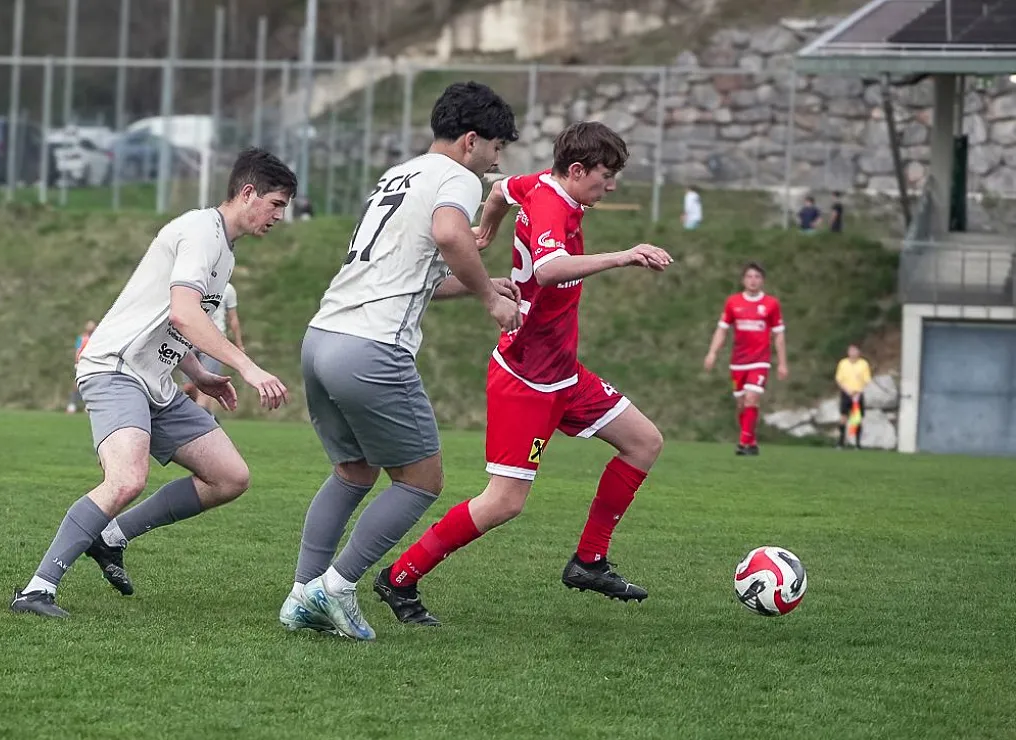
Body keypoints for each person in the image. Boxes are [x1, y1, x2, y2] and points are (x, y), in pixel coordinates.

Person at [375, 121, 673, 628]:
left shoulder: (538, 184)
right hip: (527, 380)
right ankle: (399, 577)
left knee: (644, 442)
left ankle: (589, 561)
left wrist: (488, 230)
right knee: (503, 502)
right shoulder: (553, 203)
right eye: (607, 176)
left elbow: (498, 189)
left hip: (562, 373)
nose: (612, 186)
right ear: (577, 171)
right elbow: (550, 269)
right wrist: (624, 255)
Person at [279, 81, 523, 641]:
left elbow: (413, 279)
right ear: (469, 141)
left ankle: (301, 594)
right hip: (370, 347)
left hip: (322, 338)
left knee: (352, 472)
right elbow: (448, 233)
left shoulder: (399, 173)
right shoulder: (458, 177)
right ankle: (335, 590)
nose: (495, 161)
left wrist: (484, 284)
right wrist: (489, 298)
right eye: (495, 149)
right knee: (421, 481)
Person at [10, 148, 295, 619]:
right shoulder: (200, 233)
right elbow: (184, 313)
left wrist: (200, 373)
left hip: (154, 379)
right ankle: (37, 590)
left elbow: (174, 324)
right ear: (248, 194)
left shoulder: (224, 251)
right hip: (115, 369)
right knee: (126, 480)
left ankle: (110, 538)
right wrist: (248, 367)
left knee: (230, 477)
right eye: (277, 204)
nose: (280, 216)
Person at [703, 262, 788, 456]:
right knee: (741, 403)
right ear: (743, 280)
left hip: (760, 360)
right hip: (738, 361)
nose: (753, 280)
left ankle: (742, 443)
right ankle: (751, 440)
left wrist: (782, 362)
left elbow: (779, 334)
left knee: (752, 397)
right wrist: (712, 353)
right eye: (749, 276)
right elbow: (722, 330)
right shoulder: (733, 302)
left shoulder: (771, 304)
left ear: (762, 281)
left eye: (757, 277)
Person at [184, 283, 243, 416]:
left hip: (214, 342)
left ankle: (198, 426)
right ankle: (206, 419)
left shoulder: (227, 289)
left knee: (205, 392)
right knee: (188, 388)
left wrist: (239, 344)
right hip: (190, 340)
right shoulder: (194, 283)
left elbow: (233, 319)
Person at [835, 343, 871, 449]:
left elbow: (867, 380)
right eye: (851, 351)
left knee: (857, 419)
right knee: (843, 417)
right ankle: (841, 442)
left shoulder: (863, 364)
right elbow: (839, 379)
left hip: (857, 394)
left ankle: (857, 443)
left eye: (855, 351)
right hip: (846, 393)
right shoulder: (843, 363)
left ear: (858, 352)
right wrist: (847, 390)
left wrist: (858, 392)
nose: (853, 353)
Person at [66, 320, 97, 414]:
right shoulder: (82, 338)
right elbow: (78, 350)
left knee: (92, 384)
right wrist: (77, 361)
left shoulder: (97, 339)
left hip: (92, 363)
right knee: (77, 384)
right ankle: (72, 404)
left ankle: (89, 405)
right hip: (82, 363)